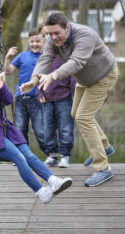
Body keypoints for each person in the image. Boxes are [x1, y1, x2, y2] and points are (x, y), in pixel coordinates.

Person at [20, 12, 117, 187]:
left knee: (83, 117)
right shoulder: (51, 39)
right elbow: (45, 59)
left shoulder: (85, 35)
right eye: (50, 34)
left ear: (67, 27)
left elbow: (76, 62)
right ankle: (105, 146)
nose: (53, 37)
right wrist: (33, 81)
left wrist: (53, 76)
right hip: (85, 79)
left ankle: (103, 168)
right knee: (75, 113)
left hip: (103, 76)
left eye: (57, 33)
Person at [0, 60, 72, 204]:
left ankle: (53, 180)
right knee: (19, 158)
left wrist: (0, 85)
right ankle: (42, 192)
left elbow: (8, 99)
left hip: (6, 132)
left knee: (28, 155)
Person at [37, 23, 76, 168]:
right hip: (47, 98)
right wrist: (39, 91)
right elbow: (37, 75)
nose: (48, 37)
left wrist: (75, 94)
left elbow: (73, 75)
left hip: (64, 97)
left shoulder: (65, 54)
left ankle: (65, 155)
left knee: (65, 127)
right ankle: (52, 155)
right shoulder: (43, 57)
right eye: (45, 35)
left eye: (51, 34)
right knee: (48, 128)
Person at [4, 27, 45, 154]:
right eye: (32, 41)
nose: (34, 44)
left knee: (40, 130)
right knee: (20, 129)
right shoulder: (22, 56)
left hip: (37, 98)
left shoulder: (46, 58)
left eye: (37, 41)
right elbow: (8, 71)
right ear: (28, 42)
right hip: (21, 98)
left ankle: (52, 155)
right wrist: (7, 57)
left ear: (44, 41)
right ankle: (22, 156)